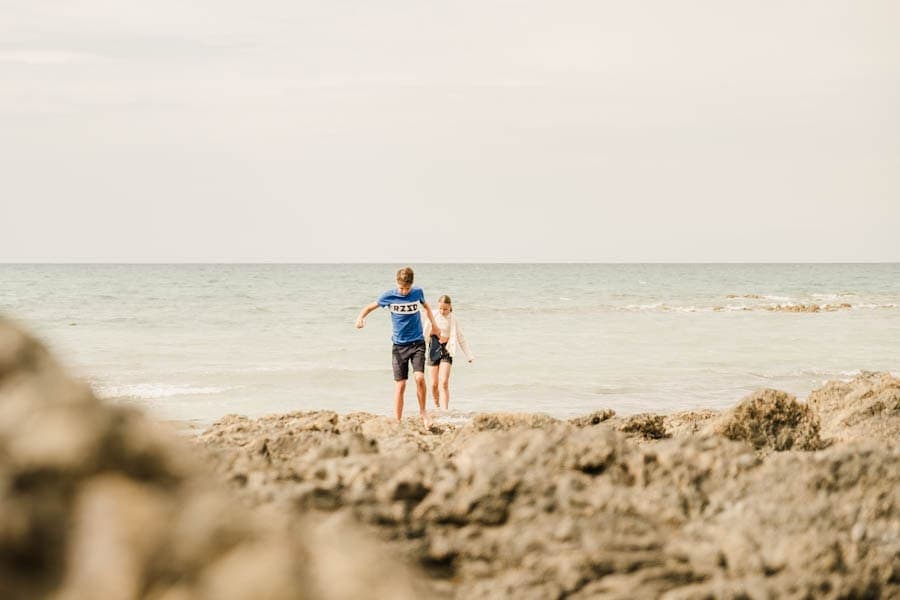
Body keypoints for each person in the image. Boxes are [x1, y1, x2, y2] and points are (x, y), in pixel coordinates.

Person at [355, 267, 444, 427]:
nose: (404, 292)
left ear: (412, 285)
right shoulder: (388, 296)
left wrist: (435, 326)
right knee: (401, 384)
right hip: (399, 346)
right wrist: (360, 318)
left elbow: (428, 308)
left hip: (417, 343)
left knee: (420, 378)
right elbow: (368, 307)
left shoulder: (417, 292)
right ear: (397, 283)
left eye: (407, 288)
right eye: (402, 288)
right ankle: (397, 420)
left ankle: (423, 412)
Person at [423, 294, 474, 411]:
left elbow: (461, 338)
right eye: (440, 308)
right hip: (433, 349)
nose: (442, 311)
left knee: (444, 382)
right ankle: (437, 406)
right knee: (433, 384)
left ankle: (445, 411)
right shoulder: (433, 315)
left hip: (447, 350)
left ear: (450, 307)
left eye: (445, 309)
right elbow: (424, 334)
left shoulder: (453, 319)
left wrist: (469, 355)